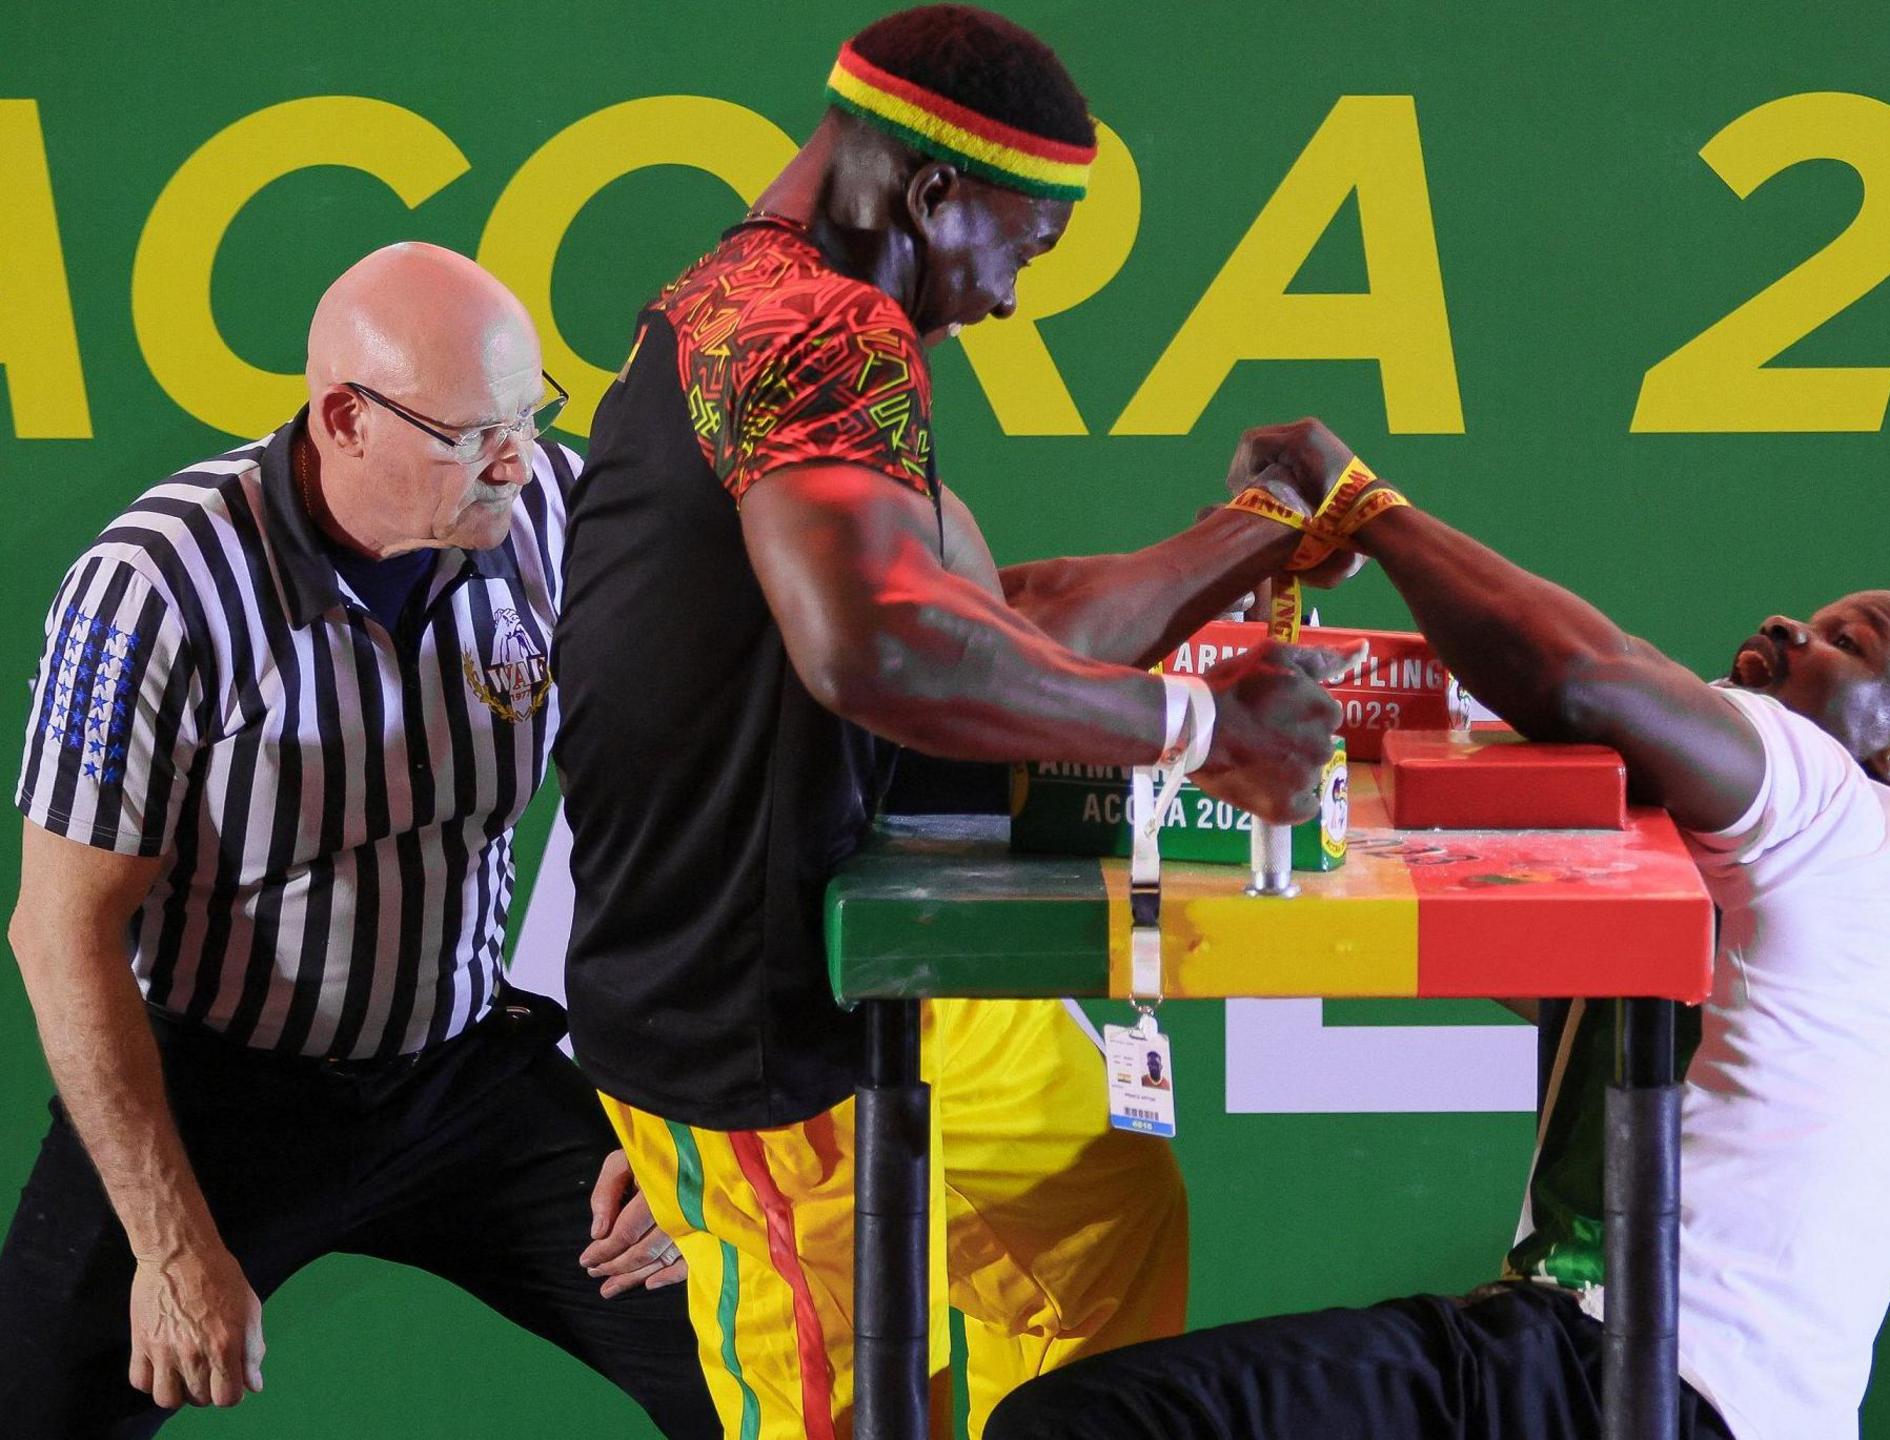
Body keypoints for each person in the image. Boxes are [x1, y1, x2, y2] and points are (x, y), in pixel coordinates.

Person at [550, 8, 1354, 1437]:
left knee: (1100, 1216)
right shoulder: (817, 324)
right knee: (858, 1406)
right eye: (1022, 249)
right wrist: (1194, 730)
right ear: (933, 194)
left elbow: (993, 620)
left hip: (879, 959)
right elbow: (882, 650)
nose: (1005, 299)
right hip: (754, 1017)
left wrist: (1257, 528)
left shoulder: (753, 304)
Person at [983, 419, 1890, 1440]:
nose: (1786, 628)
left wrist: (1363, 507)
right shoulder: (1832, 933)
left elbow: (1584, 676)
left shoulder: (1831, 800)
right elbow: (1456, 893)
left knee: (1090, 1422)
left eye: (1846, 645)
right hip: (1685, 1391)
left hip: (1619, 1370)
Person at [0, 243, 715, 1436]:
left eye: (530, 415)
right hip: (217, 1089)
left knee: (759, 1357)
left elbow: (674, 806)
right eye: (474, 432)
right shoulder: (155, 587)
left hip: (468, 1070)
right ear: (345, 418)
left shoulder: (554, 513)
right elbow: (60, 930)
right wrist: (174, 1250)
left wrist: (659, 1105)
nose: (517, 457)